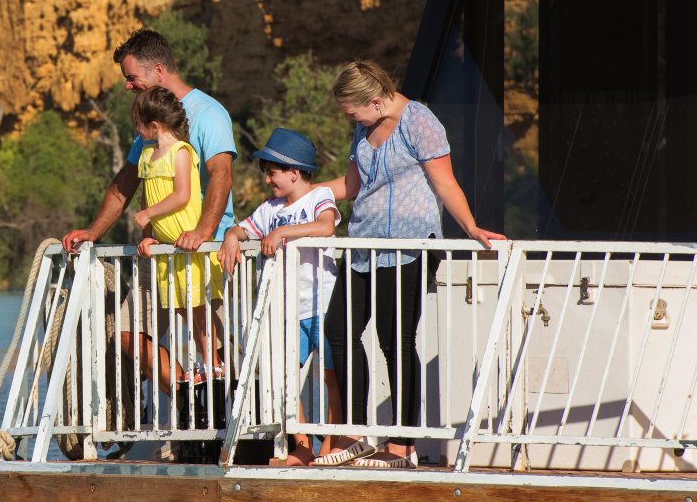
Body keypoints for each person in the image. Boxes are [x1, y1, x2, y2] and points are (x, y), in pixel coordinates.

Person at [313, 61, 505, 470]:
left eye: (351, 111)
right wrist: (304, 196)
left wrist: (470, 227)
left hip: (408, 248)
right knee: (339, 331)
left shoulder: (420, 121)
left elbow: (445, 183)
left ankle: (401, 446)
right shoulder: (364, 127)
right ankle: (356, 433)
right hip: (363, 246)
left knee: (393, 339)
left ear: (378, 100)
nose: (348, 118)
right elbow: (351, 185)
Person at [61, 27, 237, 399]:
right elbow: (126, 181)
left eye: (131, 77)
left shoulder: (208, 114)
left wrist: (203, 232)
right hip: (156, 249)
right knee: (128, 332)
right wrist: (93, 231)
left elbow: (222, 175)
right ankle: (188, 403)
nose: (127, 86)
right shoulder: (149, 121)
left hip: (201, 250)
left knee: (211, 340)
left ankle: (225, 418)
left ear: (158, 70)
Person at [219, 128, 341, 466]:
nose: (268, 179)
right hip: (288, 309)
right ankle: (301, 445)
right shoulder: (270, 208)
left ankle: (333, 442)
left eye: (272, 172)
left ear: (294, 172)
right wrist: (231, 235)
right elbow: (244, 229)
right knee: (287, 379)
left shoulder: (319, 196)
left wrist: (282, 232)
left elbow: (326, 227)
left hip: (324, 303)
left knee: (333, 375)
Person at [129, 86, 216, 382]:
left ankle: (212, 364)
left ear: (154, 126)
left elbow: (181, 195)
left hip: (187, 245)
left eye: (138, 126)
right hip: (167, 247)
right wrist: (148, 233)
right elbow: (147, 195)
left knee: (196, 308)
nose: (136, 131)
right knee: (180, 307)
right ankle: (204, 366)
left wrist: (149, 213)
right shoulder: (147, 154)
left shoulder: (180, 152)